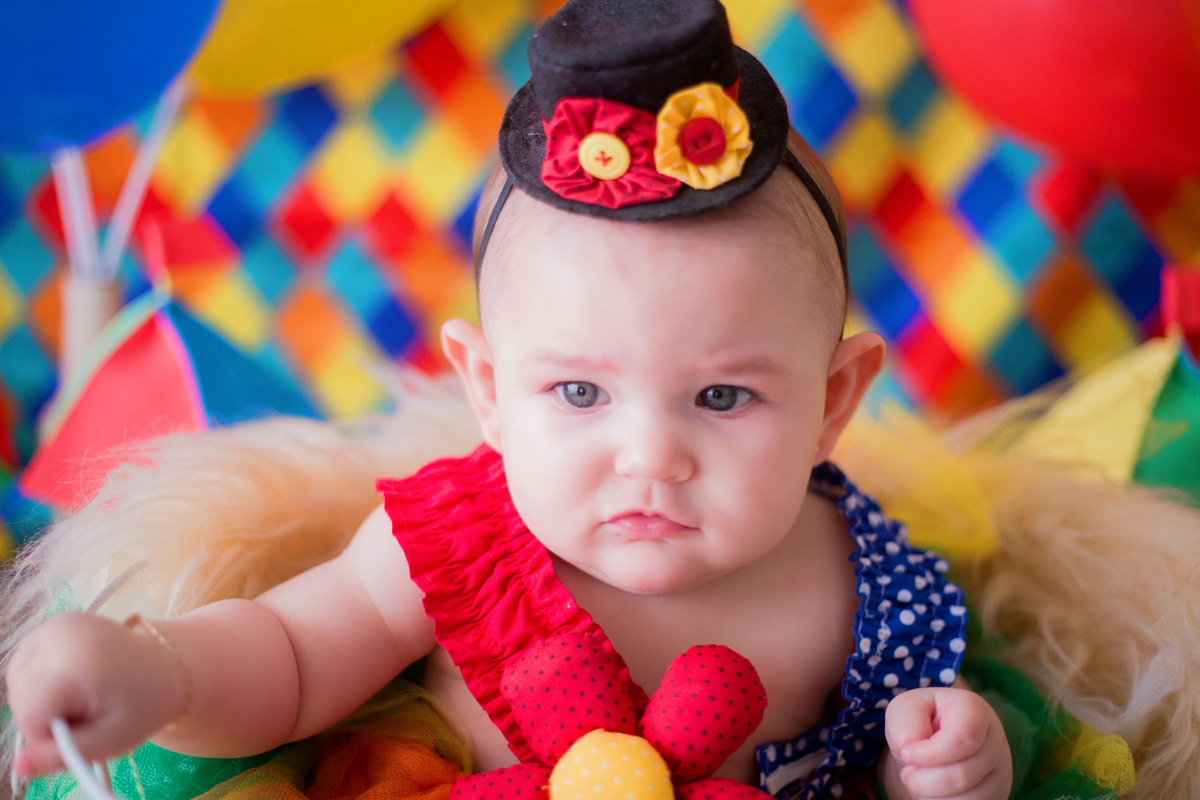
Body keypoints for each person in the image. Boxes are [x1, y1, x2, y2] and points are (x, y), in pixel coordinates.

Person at [5, 1, 1013, 798]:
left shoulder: (866, 578)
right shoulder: (452, 540)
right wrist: (156, 673)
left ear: (834, 401)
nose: (649, 454)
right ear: (487, 389)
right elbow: (291, 656)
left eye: (721, 394)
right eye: (579, 390)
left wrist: (951, 759)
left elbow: (897, 744)